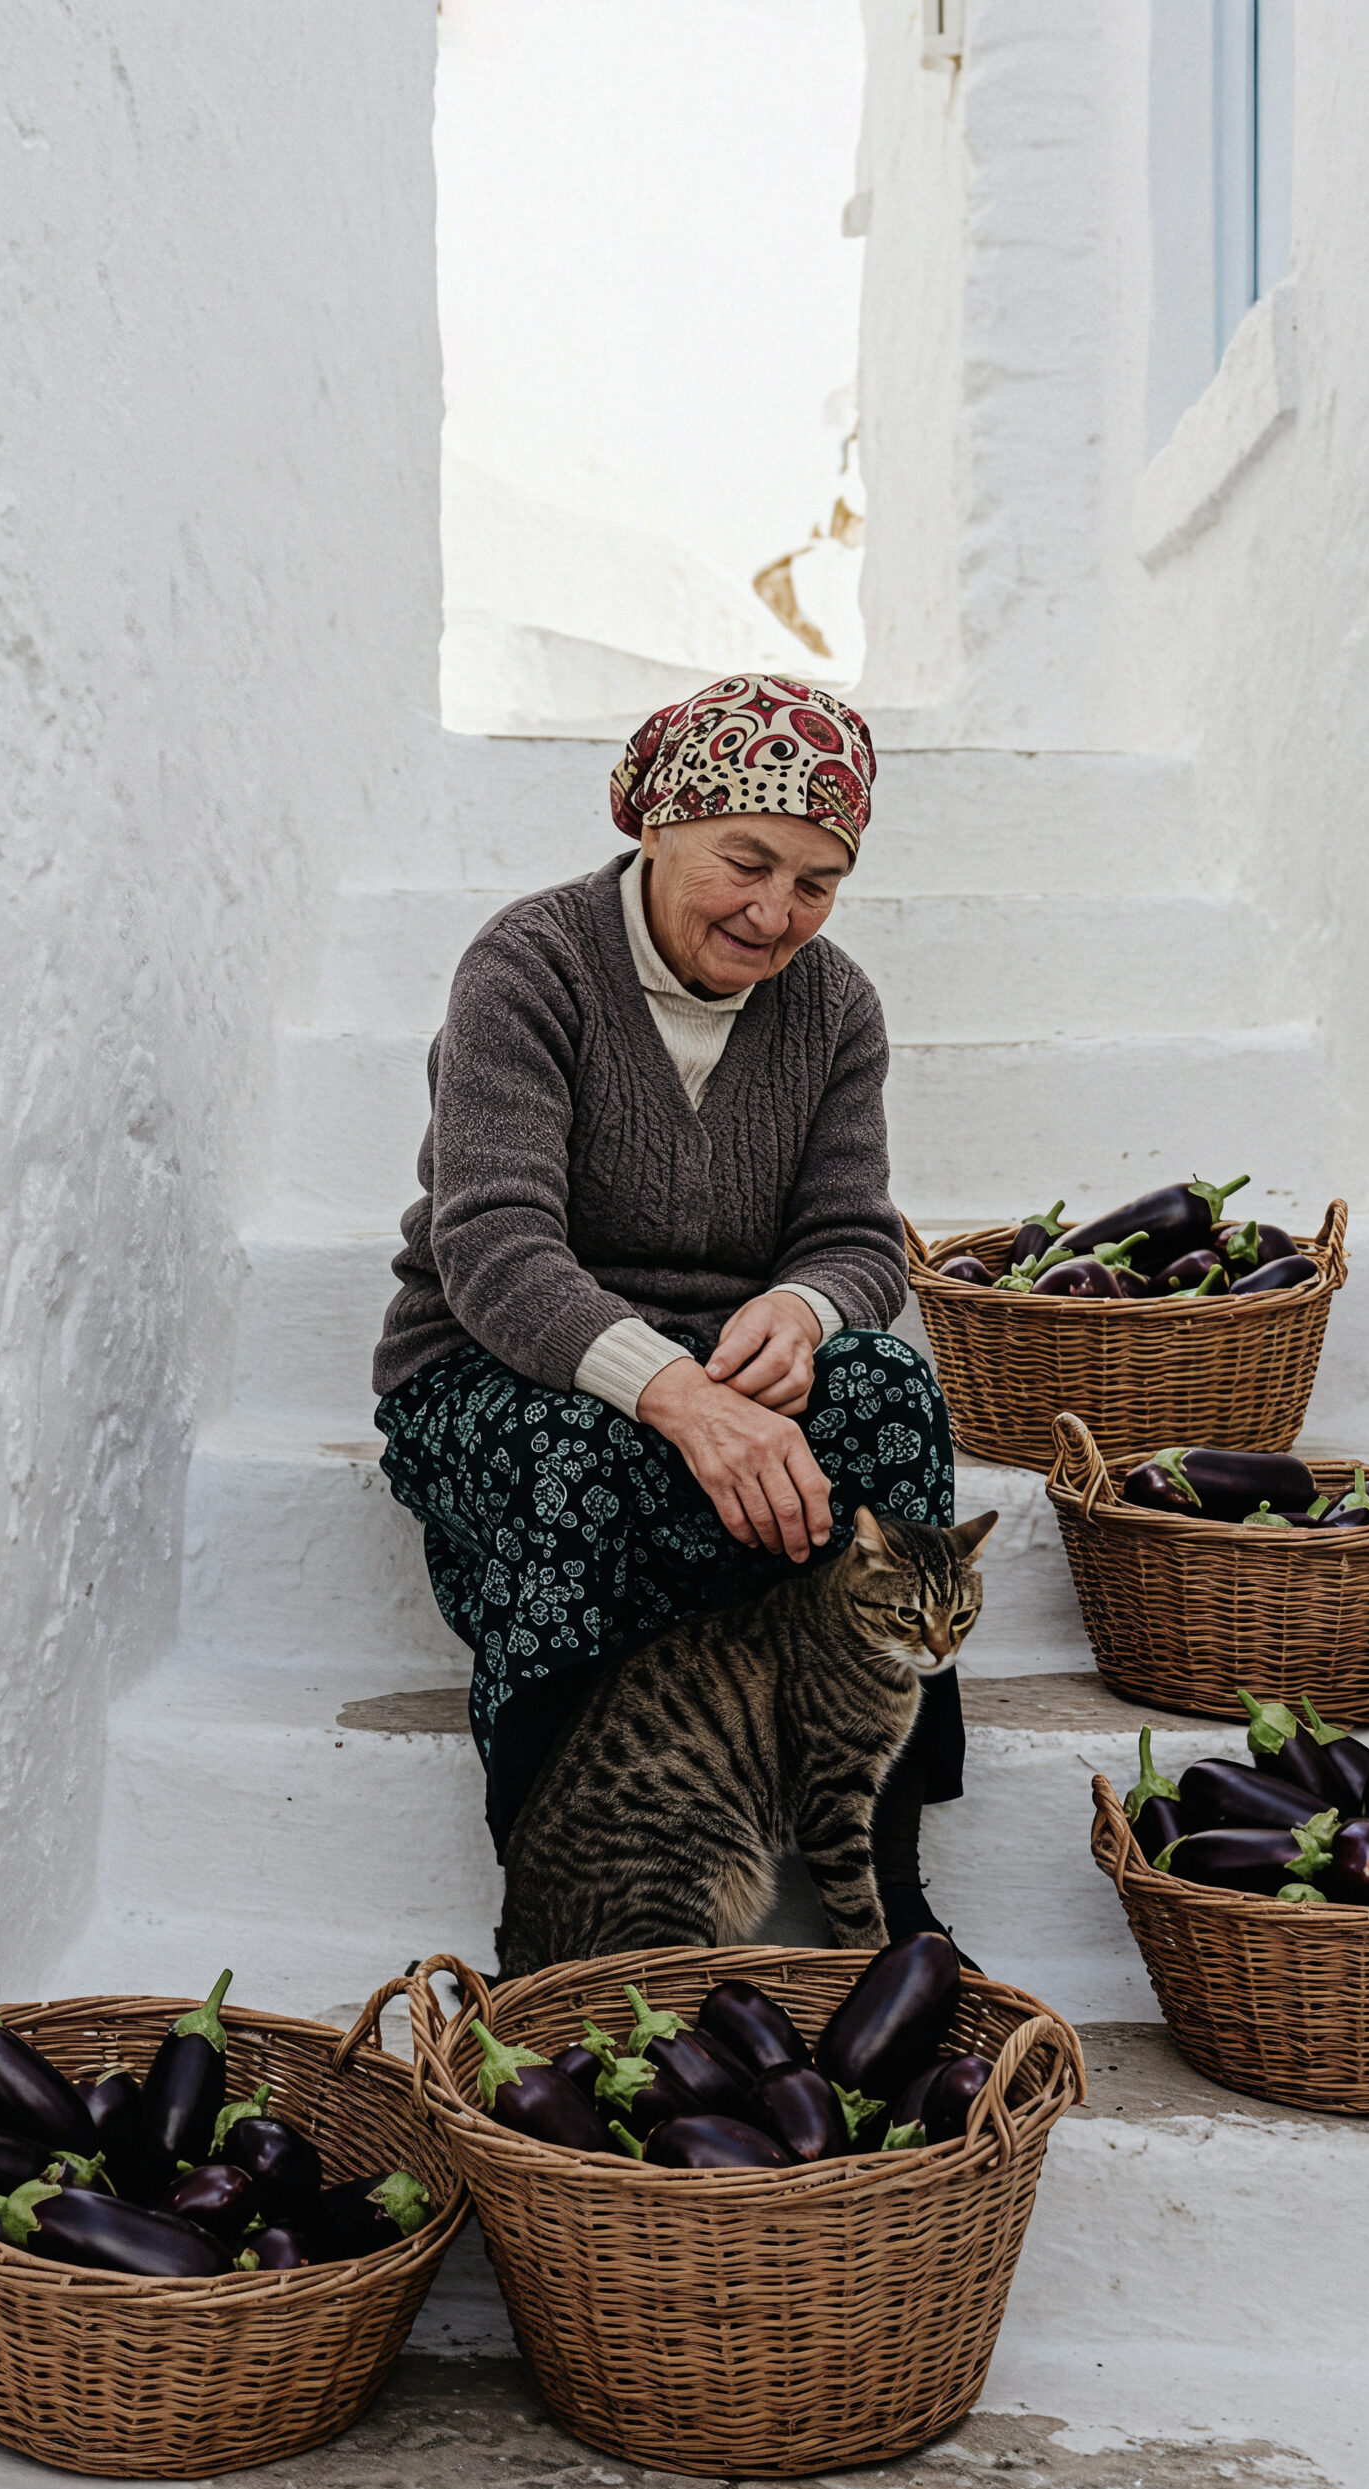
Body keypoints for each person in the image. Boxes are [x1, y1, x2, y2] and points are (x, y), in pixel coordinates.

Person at [372, 673, 963, 1943]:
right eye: (745, 861)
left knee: (892, 1394)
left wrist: (805, 1309)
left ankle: (890, 1886)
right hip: (496, 1366)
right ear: (655, 825)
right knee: (579, 1450)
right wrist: (678, 1394)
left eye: (816, 882)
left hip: (721, 1369)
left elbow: (857, 1238)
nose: (773, 912)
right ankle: (569, 1906)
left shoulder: (835, 1006)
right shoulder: (530, 965)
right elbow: (492, 1243)